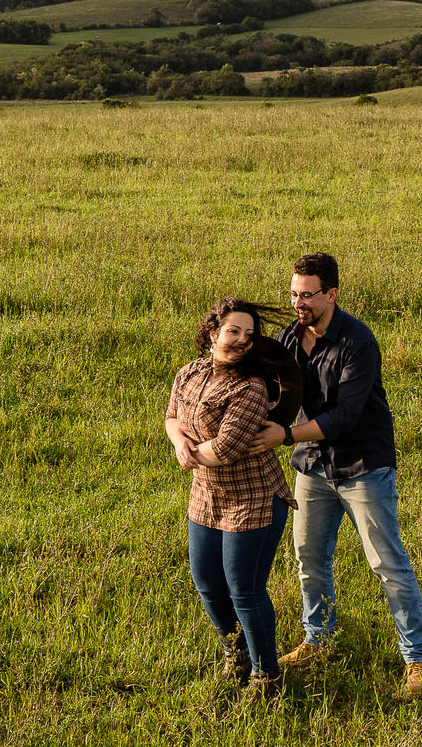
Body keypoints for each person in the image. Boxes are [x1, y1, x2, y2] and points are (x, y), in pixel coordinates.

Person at [249, 253, 422, 699]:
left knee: (387, 564)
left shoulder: (358, 341)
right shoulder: (288, 339)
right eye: (294, 294)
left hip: (363, 466)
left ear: (331, 294)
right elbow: (267, 388)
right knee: (309, 558)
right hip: (312, 465)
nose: (299, 304)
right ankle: (319, 640)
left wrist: (286, 434)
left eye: (307, 295)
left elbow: (345, 416)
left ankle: (418, 660)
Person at [165, 298, 301, 698]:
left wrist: (189, 455)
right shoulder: (189, 373)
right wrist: (178, 442)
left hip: (254, 497)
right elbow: (172, 416)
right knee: (207, 583)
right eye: (233, 331)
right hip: (205, 495)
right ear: (213, 333)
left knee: (245, 591)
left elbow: (227, 448)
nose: (242, 340)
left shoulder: (251, 386)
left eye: (249, 334)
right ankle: (235, 653)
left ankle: (266, 675)